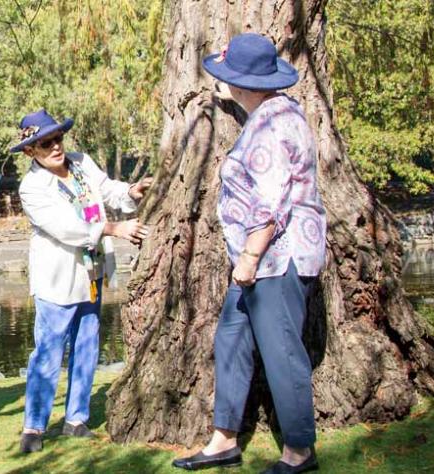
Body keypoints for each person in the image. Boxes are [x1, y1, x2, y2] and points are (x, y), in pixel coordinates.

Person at [170, 33, 328, 474]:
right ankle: (223, 440)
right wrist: (235, 96)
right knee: (232, 338)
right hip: (262, 263)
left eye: (229, 78)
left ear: (244, 84)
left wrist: (249, 258)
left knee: (281, 351)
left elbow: (270, 201)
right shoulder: (273, 112)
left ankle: (299, 451)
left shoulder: (271, 126)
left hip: (274, 260)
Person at [11, 110, 152, 454]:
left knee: (88, 343)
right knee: (48, 350)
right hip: (58, 277)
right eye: (46, 143)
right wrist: (115, 228)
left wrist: (133, 191)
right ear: (31, 151)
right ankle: (34, 425)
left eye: (58, 138)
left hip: (91, 271)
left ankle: (76, 418)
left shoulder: (81, 162)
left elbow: (108, 190)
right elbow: (65, 226)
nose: (56, 146)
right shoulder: (32, 187)